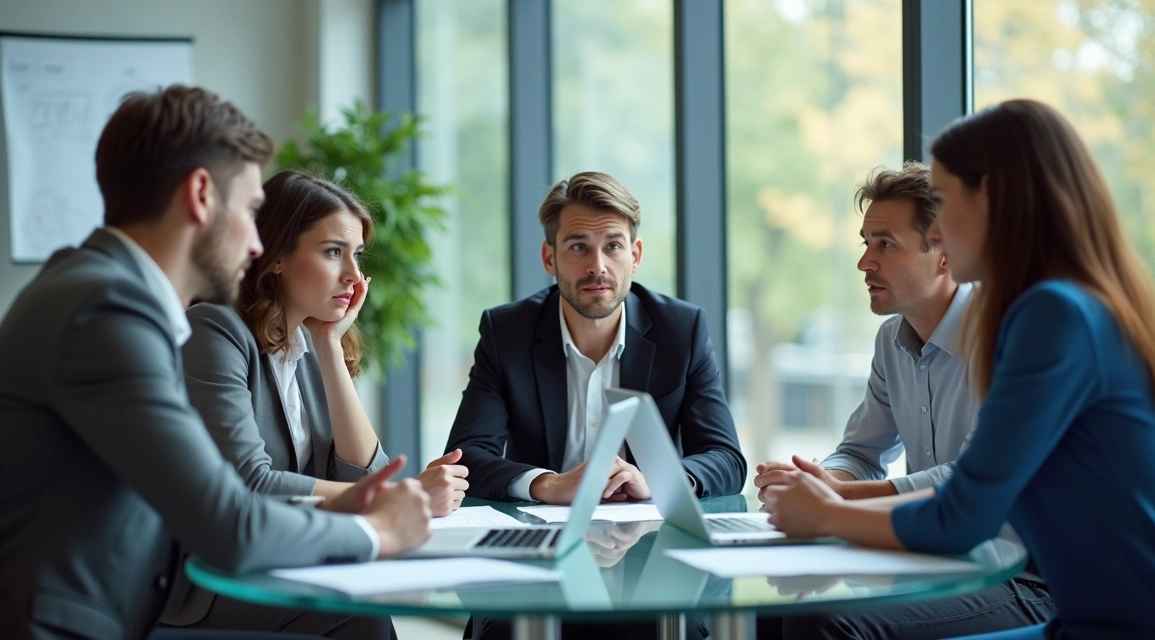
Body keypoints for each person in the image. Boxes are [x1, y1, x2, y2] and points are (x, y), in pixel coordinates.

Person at [764, 99, 1155, 639]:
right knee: (791, 618)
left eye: (946, 200)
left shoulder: (1055, 315)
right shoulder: (1059, 305)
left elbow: (963, 515)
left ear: (994, 203)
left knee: (824, 624)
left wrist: (827, 512)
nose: (939, 231)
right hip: (1095, 616)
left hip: (1150, 626)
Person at [0, 85, 432, 640]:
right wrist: (378, 533)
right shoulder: (108, 312)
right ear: (201, 195)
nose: (257, 244)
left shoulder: (97, 289)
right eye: (252, 211)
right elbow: (230, 519)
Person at [159, 170, 468, 638]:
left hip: (286, 553)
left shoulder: (305, 346)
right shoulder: (215, 330)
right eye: (332, 252)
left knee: (378, 599)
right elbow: (250, 482)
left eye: (357, 256)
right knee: (360, 615)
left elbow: (360, 473)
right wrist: (391, 499)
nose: (353, 275)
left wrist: (328, 346)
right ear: (278, 256)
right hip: (209, 575)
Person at [754, 163, 1053, 638]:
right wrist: (816, 479)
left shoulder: (1003, 338)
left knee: (824, 621)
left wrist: (827, 500)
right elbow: (860, 452)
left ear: (945, 255)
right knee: (777, 603)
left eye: (885, 244)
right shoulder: (891, 339)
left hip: (1026, 579)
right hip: (937, 559)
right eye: (866, 242)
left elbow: (963, 481)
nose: (864, 262)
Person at [447, 171, 745, 639]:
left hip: (650, 558)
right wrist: (548, 485)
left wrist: (658, 481)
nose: (598, 266)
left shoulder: (681, 330)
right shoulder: (507, 333)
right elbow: (467, 457)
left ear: (636, 255)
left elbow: (726, 458)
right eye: (578, 246)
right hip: (539, 560)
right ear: (550, 258)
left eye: (613, 246)